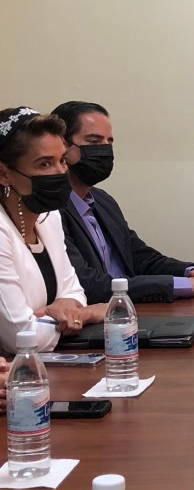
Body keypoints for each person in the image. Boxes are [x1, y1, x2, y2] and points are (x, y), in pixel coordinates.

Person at [51, 101, 194, 304]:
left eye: (109, 142)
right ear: (62, 146)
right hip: (96, 316)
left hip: (129, 311)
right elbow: (89, 285)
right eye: (94, 141)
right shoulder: (51, 211)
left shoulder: (103, 201)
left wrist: (192, 272)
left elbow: (141, 258)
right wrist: (186, 286)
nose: (105, 149)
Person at [0, 107, 107, 355]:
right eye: (45, 164)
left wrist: (60, 310)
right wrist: (88, 314)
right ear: (4, 174)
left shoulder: (49, 218)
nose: (60, 172)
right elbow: (20, 337)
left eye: (62, 160)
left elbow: (75, 290)